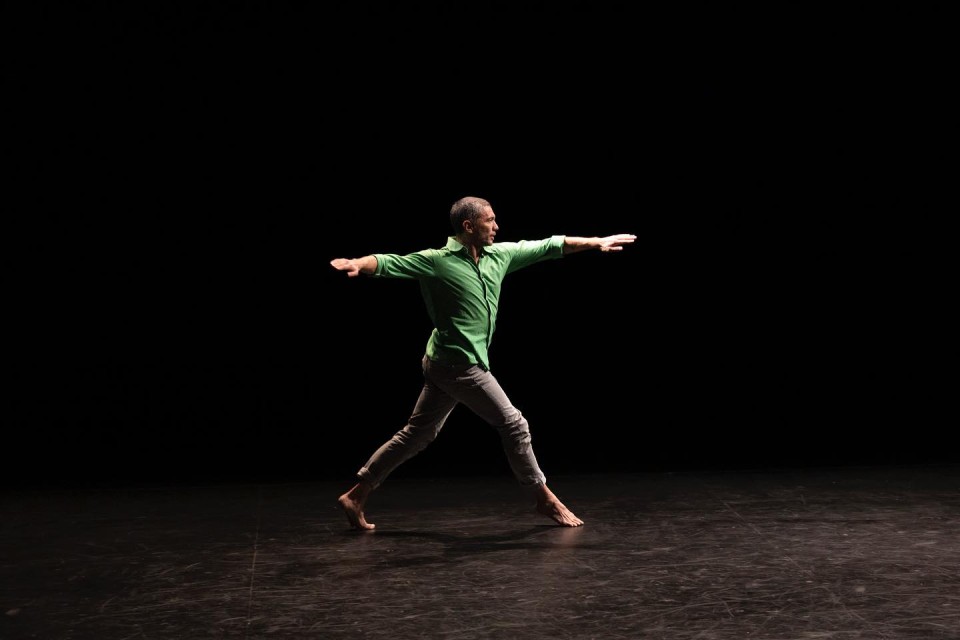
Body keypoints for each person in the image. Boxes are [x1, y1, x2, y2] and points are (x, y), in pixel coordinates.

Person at [331, 196, 636, 530]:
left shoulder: (499, 256)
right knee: (514, 425)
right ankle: (544, 498)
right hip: (459, 366)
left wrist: (596, 242)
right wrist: (358, 263)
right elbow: (389, 262)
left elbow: (550, 245)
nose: (496, 226)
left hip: (442, 362)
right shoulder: (437, 261)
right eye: (489, 220)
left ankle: (357, 495)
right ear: (468, 226)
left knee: (417, 434)